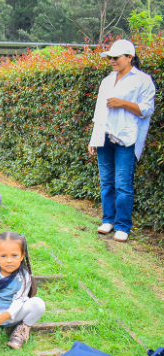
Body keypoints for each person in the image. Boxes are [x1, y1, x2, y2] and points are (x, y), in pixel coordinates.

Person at [88, 39, 156, 243]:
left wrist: (124, 103)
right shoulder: (107, 81)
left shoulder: (143, 80)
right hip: (104, 137)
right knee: (106, 182)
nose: (112, 61)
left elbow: (147, 109)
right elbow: (99, 111)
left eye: (116, 57)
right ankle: (108, 220)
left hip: (126, 137)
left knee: (123, 183)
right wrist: (93, 138)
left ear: (129, 57)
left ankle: (123, 225)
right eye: (110, 58)